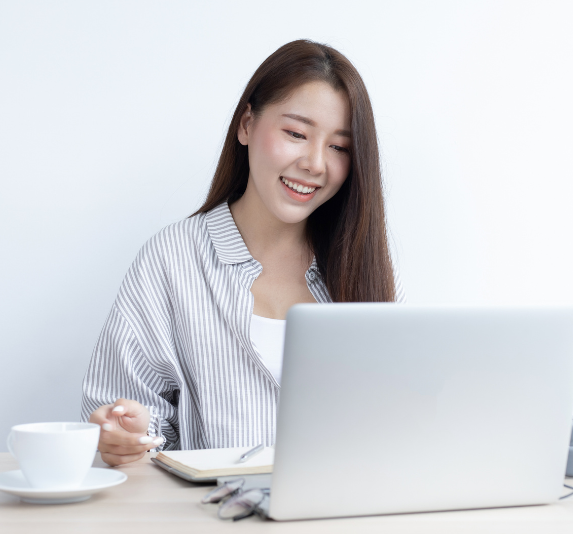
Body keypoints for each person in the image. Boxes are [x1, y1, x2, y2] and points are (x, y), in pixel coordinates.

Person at [81, 39, 404, 467]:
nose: (315, 163)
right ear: (247, 125)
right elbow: (122, 419)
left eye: (339, 147)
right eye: (295, 133)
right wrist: (130, 434)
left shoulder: (353, 267)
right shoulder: (172, 258)